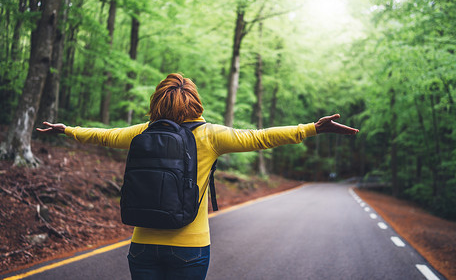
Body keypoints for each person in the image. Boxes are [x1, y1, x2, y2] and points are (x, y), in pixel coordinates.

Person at [37, 73, 358, 280]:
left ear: (157, 102)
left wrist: (67, 130)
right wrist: (312, 128)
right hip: (190, 248)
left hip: (142, 245)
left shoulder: (141, 132)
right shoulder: (211, 135)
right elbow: (262, 137)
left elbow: (103, 135)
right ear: (195, 102)